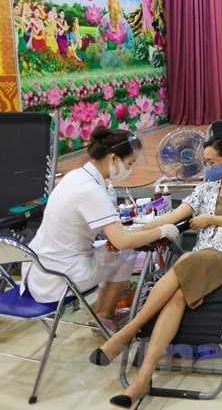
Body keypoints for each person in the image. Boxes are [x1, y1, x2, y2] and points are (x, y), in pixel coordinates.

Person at [89, 133, 222, 408]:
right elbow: (173, 217)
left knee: (184, 262)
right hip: (202, 258)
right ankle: (143, 378)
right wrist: (133, 230)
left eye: (211, 162)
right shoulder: (207, 188)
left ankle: (128, 332)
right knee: (177, 295)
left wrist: (210, 219)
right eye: (205, 161)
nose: (206, 167)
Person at [23, 128, 173, 332]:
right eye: (129, 163)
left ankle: (104, 312)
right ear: (113, 158)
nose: (129, 169)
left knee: (112, 247)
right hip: (59, 277)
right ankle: (105, 316)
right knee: (127, 251)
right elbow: (122, 241)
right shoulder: (90, 189)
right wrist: (163, 230)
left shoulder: (75, 176)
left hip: (39, 268)